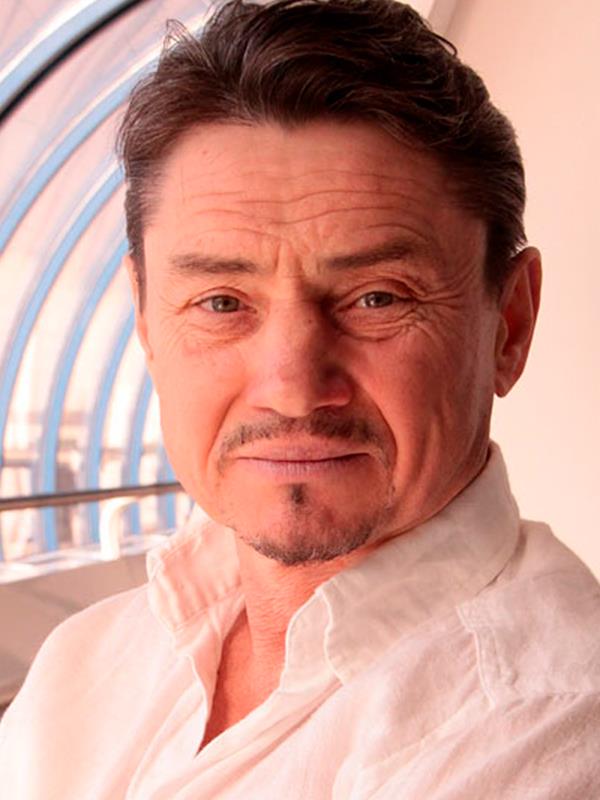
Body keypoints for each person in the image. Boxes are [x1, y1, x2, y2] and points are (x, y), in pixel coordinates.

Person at [1, 0, 599, 796]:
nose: (291, 387)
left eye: (377, 298)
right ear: (146, 319)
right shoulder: (84, 662)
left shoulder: (545, 727)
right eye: (221, 302)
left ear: (510, 327)